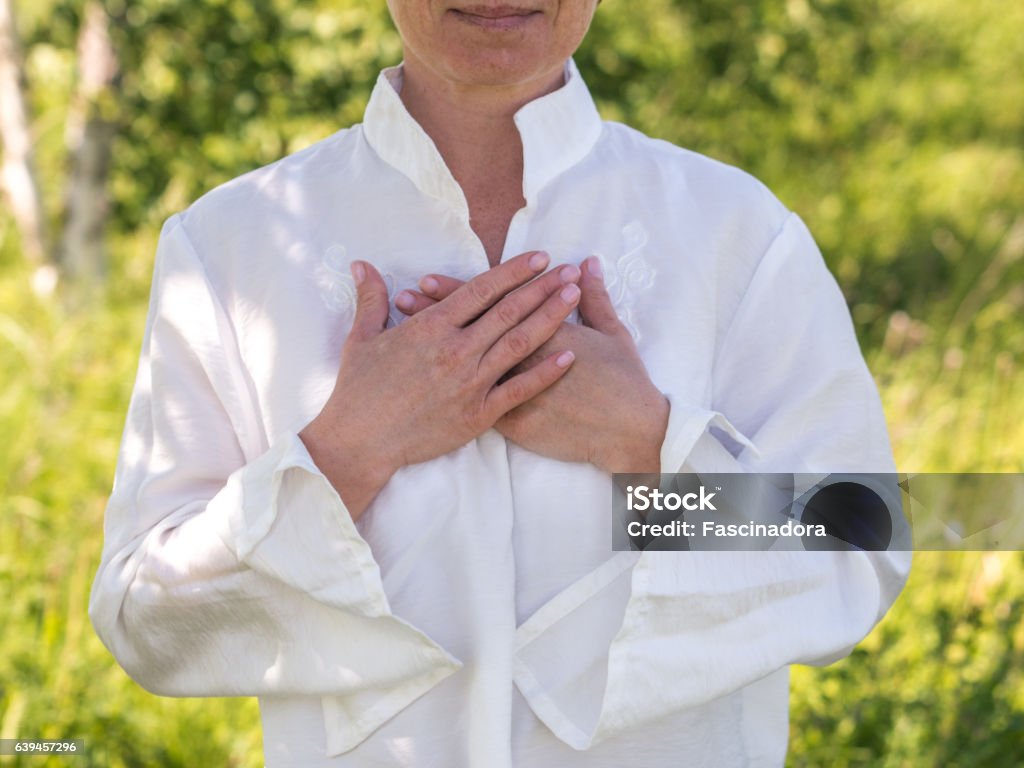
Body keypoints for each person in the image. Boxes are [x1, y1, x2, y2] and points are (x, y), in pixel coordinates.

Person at [89, 2, 911, 766]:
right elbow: (146, 620)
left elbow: (863, 547)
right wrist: (344, 455)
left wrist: (650, 449)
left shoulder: (736, 232)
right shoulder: (231, 248)